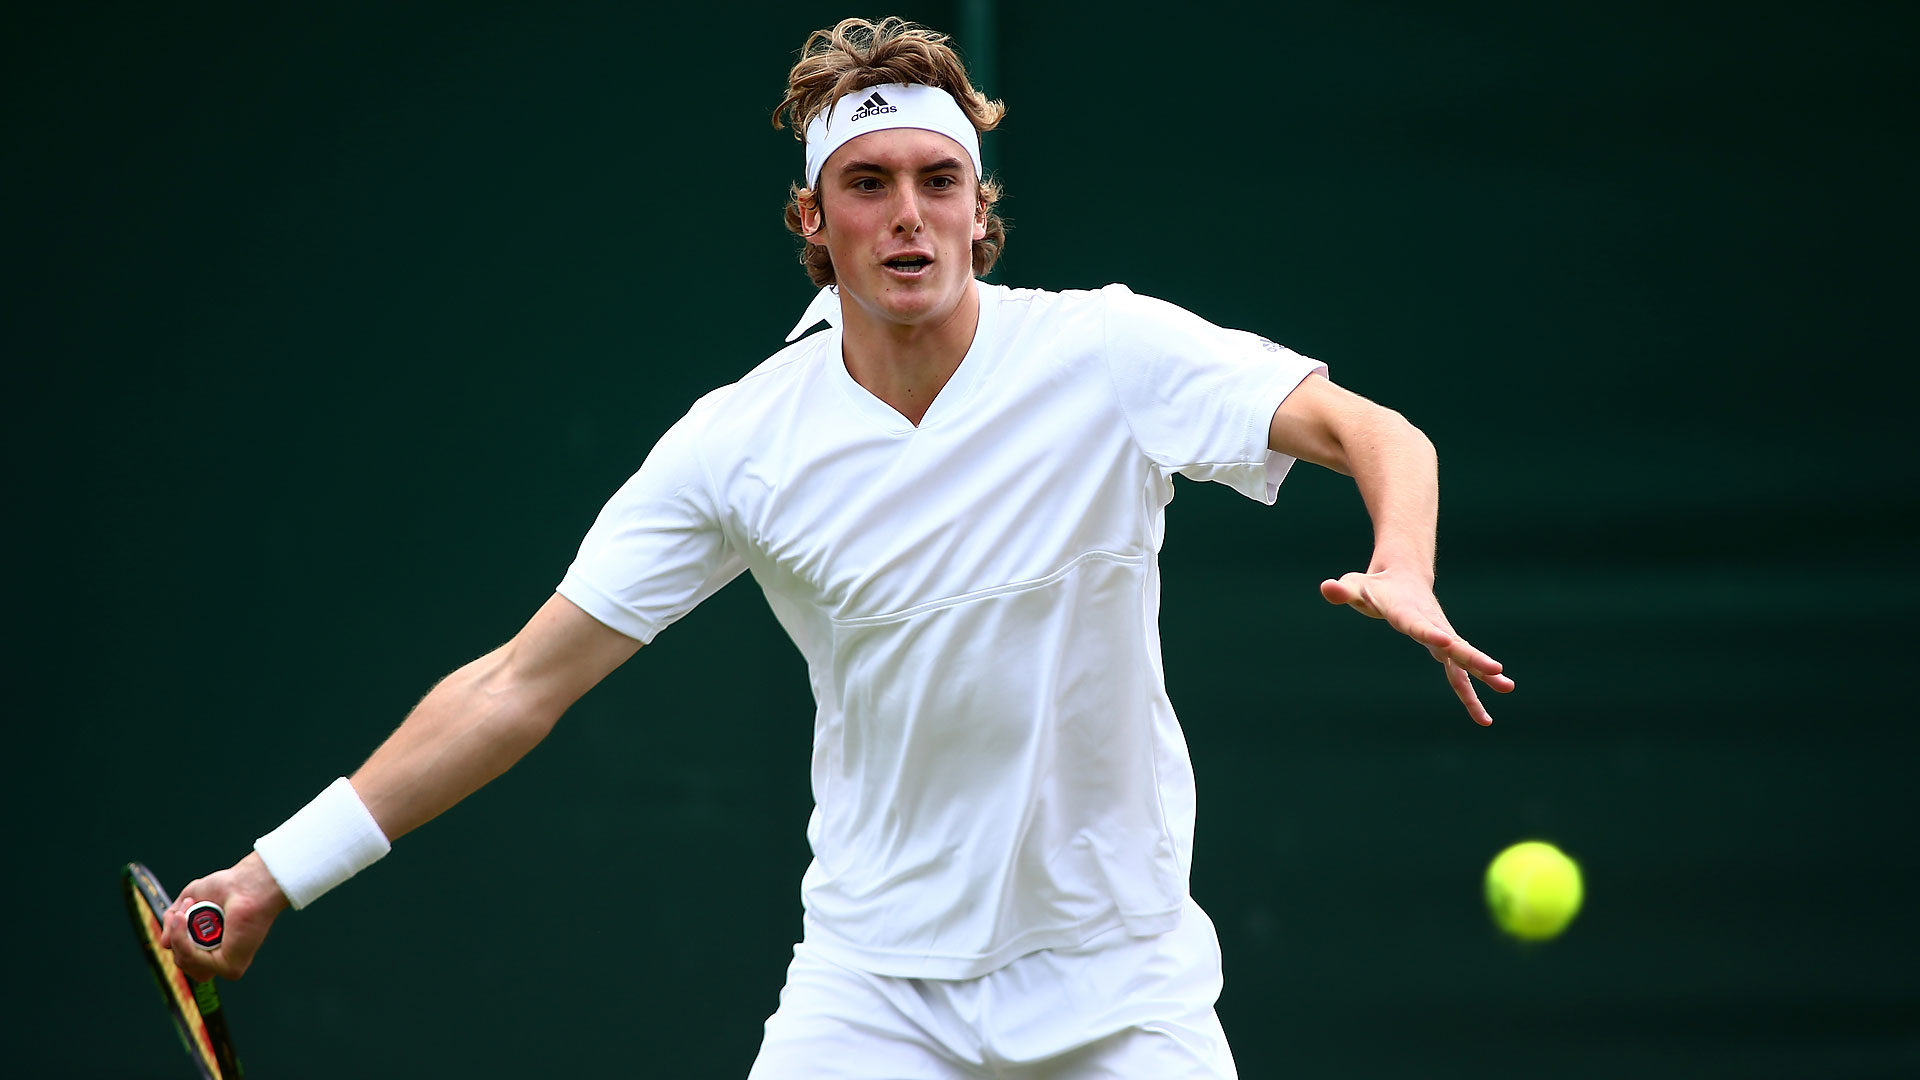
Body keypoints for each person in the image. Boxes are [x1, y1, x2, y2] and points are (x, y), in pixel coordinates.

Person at [162, 16, 1512, 1078]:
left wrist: (1403, 562)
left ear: (979, 208)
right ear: (814, 219)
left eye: (938, 181)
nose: (908, 214)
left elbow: (1370, 429)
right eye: (868, 184)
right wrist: (274, 875)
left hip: (1125, 984)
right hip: (877, 994)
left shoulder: (1108, 351)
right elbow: (519, 684)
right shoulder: (740, 442)